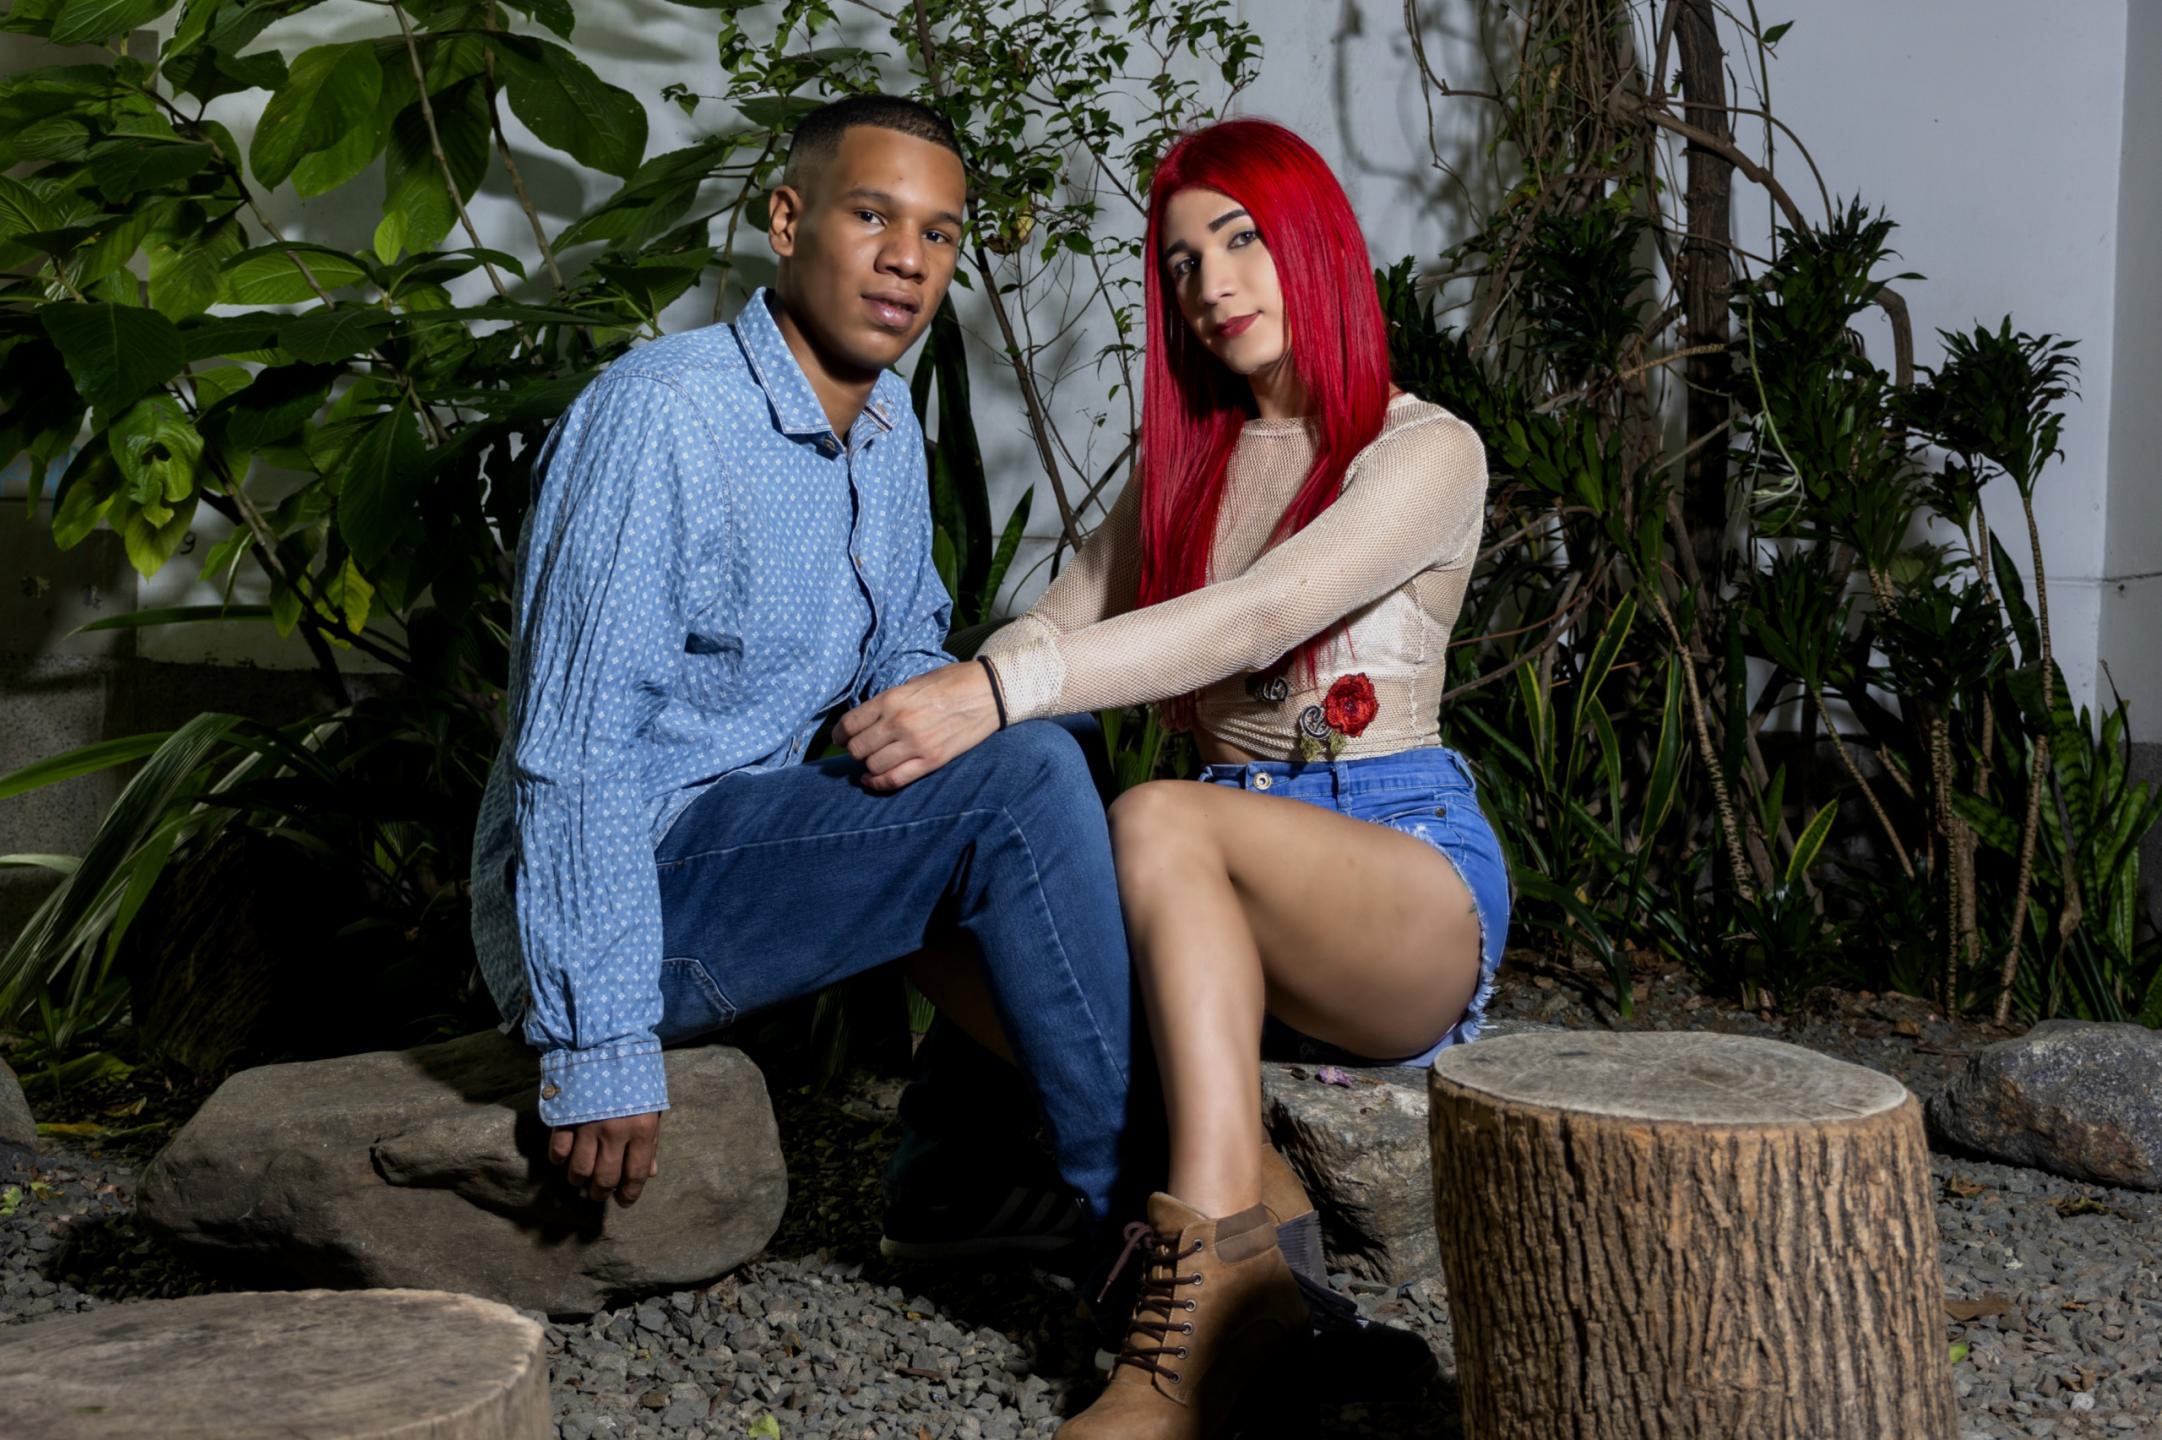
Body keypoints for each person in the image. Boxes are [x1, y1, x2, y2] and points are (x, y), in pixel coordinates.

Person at [833, 117, 1510, 1437]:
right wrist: (957, 704)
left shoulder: (1422, 450)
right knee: (913, 864)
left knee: (1156, 818)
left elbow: (1259, 618)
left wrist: (997, 693)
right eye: (1183, 262)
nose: (1210, 284)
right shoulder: (1185, 465)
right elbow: (1048, 622)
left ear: (1314, 244)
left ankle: (1190, 1302)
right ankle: (1244, 1208)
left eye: (1241, 240)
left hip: (1396, 886)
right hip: (1199, 903)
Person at [466, 95, 1144, 1255]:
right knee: (1023, 781)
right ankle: (1153, 1219)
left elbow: (899, 663)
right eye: (872, 216)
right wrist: (599, 1045)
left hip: (736, 846)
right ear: (787, 222)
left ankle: (953, 1181)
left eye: (937, 233)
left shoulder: (884, 435)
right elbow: (574, 751)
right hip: (619, 901)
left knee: (1044, 746)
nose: (907, 259)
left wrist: (956, 709)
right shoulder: (662, 420)